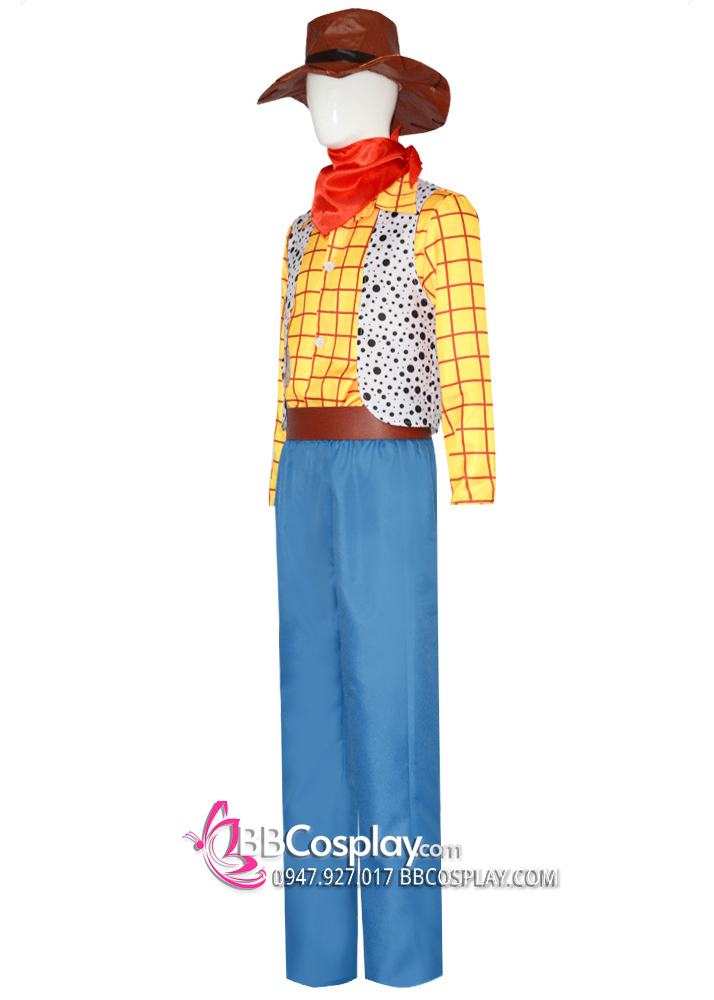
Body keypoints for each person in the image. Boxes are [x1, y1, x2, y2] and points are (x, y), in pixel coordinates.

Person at [257, 8, 496, 988]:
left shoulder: (441, 214)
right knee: (308, 705)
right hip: (307, 472)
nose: (328, 103)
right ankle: (317, 956)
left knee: (389, 702)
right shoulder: (297, 232)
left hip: (388, 465)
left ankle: (402, 958)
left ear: (392, 96)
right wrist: (274, 468)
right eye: (316, 87)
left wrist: (475, 474)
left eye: (348, 83)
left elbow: (467, 352)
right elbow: (280, 365)